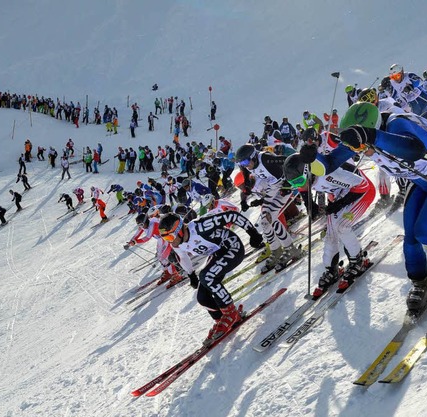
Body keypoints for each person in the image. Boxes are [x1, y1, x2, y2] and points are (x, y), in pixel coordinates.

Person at [337, 102, 427, 313]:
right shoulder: (369, 142)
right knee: (410, 238)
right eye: (355, 148)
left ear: (372, 128)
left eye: (358, 146)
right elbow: (335, 158)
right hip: (421, 181)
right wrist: (310, 160)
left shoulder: (396, 124)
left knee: (425, 232)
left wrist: (371, 136)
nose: (358, 152)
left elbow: (413, 149)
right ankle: (421, 281)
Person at [158, 210, 264, 345]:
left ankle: (230, 313)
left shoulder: (199, 226)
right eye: (165, 239)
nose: (170, 243)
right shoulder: (178, 242)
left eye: (169, 238)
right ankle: (223, 319)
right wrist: (191, 275)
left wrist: (253, 233)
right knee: (202, 297)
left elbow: (232, 215)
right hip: (217, 254)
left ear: (178, 229)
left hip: (232, 247)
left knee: (207, 276)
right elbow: (183, 258)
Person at [283, 146, 375, 297]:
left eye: (299, 181)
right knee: (331, 232)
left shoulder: (329, 174)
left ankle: (358, 260)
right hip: (339, 193)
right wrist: (310, 206)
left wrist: (339, 204)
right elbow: (303, 189)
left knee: (342, 227)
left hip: (362, 192)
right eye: (293, 184)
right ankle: (331, 269)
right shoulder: (304, 179)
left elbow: (362, 186)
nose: (299, 186)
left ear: (308, 172)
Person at [235, 144, 302, 272]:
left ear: (253, 156)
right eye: (241, 163)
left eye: (245, 161)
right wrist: (247, 186)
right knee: (265, 221)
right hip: (272, 188)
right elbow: (244, 171)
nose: (244, 165)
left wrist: (288, 183)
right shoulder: (247, 166)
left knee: (272, 217)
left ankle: (290, 249)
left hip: (283, 187)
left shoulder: (266, 158)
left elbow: (289, 160)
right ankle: (276, 250)